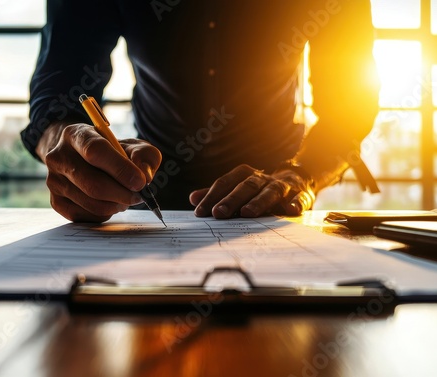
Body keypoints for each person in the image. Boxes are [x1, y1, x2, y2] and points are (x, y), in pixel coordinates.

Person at [21, 0, 380, 223]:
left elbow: (349, 105)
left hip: (274, 197)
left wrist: (302, 175)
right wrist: (68, 144)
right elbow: (59, 90)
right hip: (147, 191)